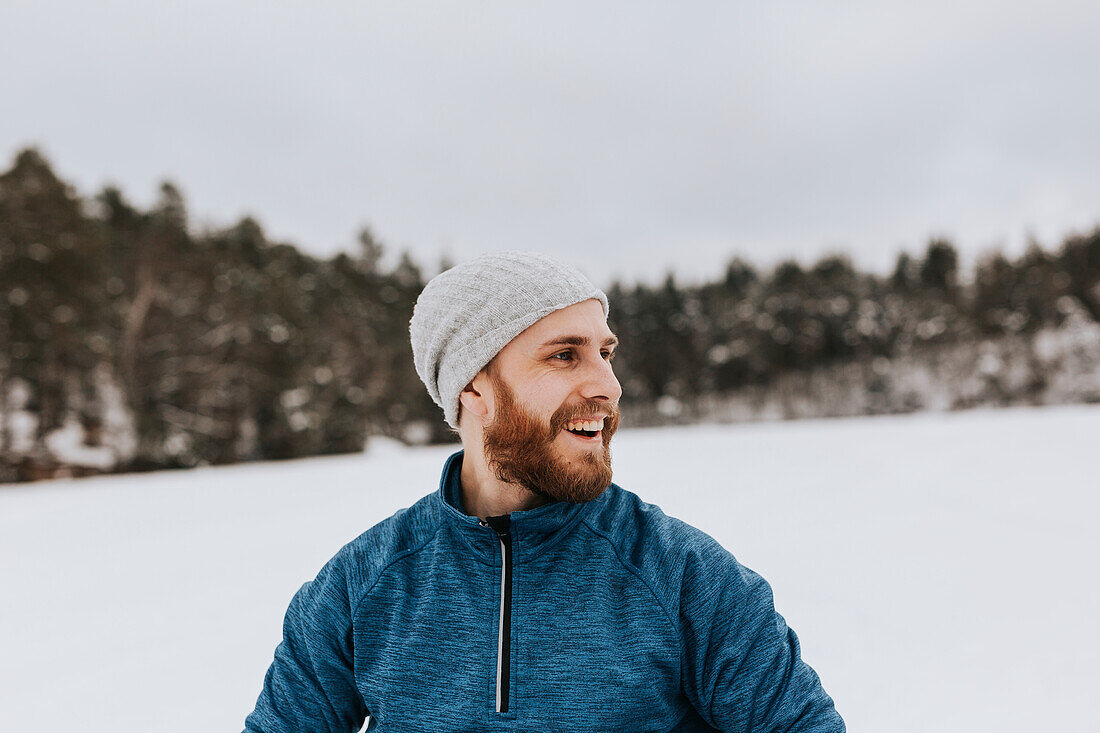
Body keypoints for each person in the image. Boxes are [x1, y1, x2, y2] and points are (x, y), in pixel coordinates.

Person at [244, 251, 845, 732]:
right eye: (565, 356)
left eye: (606, 354)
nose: (607, 386)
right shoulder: (362, 586)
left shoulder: (685, 577)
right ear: (473, 388)